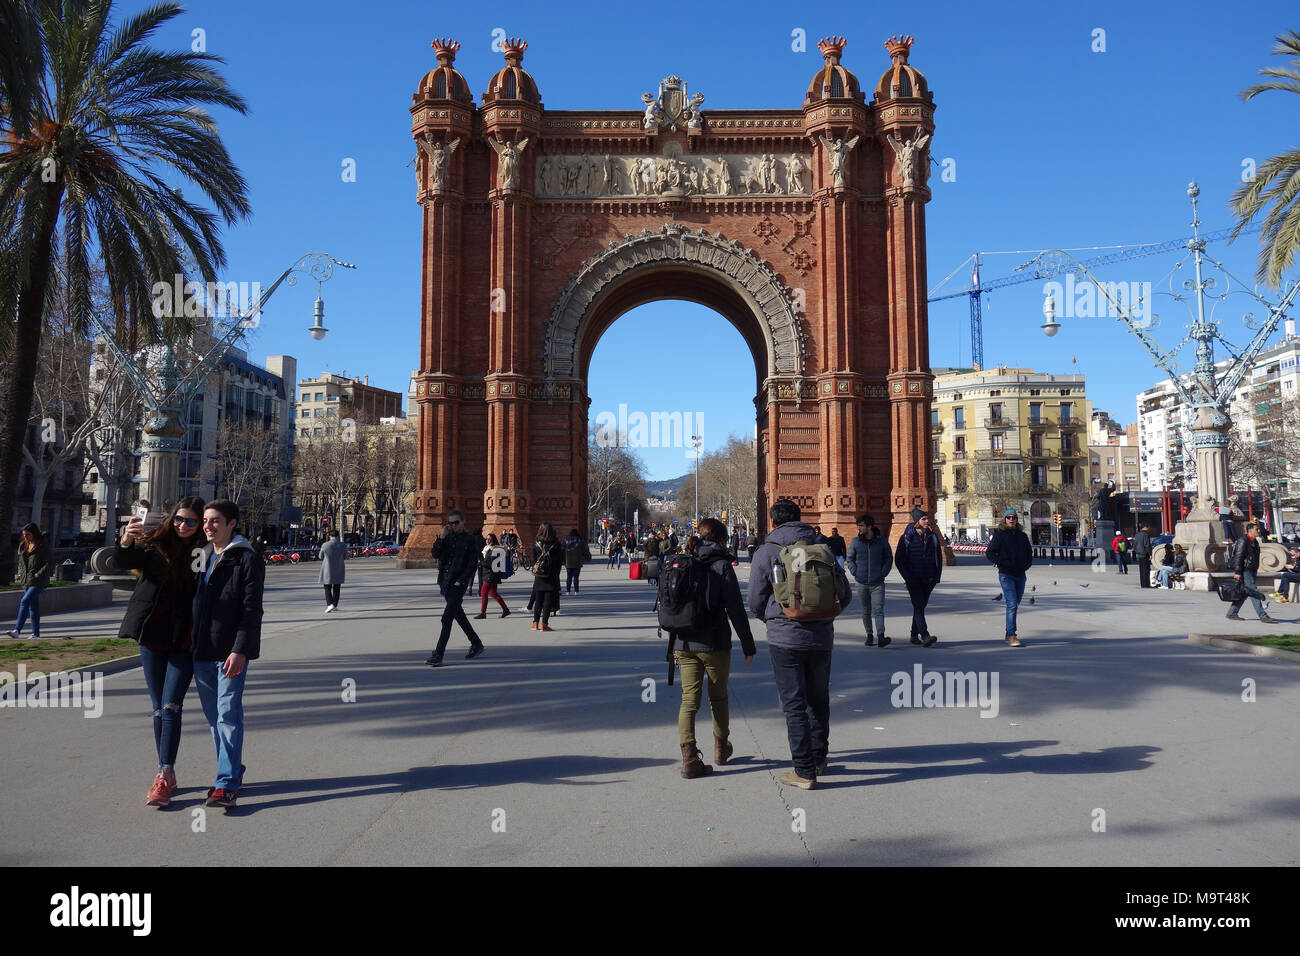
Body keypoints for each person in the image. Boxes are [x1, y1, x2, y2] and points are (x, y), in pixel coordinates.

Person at [749, 499, 853, 791]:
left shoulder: (766, 551)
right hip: (822, 638)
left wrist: (772, 618)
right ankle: (819, 759)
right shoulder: (823, 547)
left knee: (794, 704)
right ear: (800, 518)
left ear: (773, 522)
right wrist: (823, 615)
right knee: (818, 701)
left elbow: (755, 600)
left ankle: (804, 771)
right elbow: (844, 595)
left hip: (785, 639)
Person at [116, 497, 205, 807]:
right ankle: (165, 770)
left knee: (170, 707)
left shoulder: (202, 552)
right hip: (152, 634)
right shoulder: (154, 543)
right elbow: (123, 562)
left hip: (184, 638)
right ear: (172, 517)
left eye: (191, 521)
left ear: (199, 524)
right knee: (157, 708)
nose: (183, 525)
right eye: (180, 519)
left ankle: (164, 775)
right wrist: (126, 540)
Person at [671, 518, 757, 778]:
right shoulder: (722, 565)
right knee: (718, 697)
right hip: (715, 642)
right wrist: (748, 644)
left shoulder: (682, 561)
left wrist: (674, 646)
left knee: (689, 700)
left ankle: (689, 759)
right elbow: (735, 609)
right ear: (721, 538)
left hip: (683, 642)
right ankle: (721, 749)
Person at [191, 500, 264, 809]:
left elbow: (251, 609)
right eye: (206, 521)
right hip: (200, 651)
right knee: (214, 718)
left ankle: (226, 783)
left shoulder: (247, 559)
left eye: (215, 521)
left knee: (228, 715)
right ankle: (232, 769)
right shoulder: (201, 556)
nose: (208, 526)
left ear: (232, 523)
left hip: (229, 652)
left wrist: (240, 649)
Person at [427, 509, 485, 667]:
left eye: (456, 523)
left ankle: (439, 654)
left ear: (463, 521)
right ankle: (476, 643)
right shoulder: (447, 538)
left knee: (446, 618)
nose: (453, 526)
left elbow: (472, 564)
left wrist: (461, 581)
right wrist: (442, 536)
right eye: (450, 523)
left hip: (457, 584)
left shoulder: (470, 540)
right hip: (445, 582)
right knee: (458, 615)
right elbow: (435, 554)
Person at [985, 508, 1033, 648]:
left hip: (1020, 575)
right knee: (1011, 604)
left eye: (1014, 517)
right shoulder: (1000, 535)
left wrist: (1026, 565)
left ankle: (1008, 633)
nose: (1011, 519)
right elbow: (990, 553)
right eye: (1008, 517)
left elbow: (1029, 553)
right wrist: (1001, 562)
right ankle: (1012, 635)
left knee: (1015, 604)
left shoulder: (1022, 536)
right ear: (1004, 520)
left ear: (1017, 520)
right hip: (1006, 575)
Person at [894, 508, 942, 647]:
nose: (927, 521)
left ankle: (914, 635)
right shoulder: (907, 537)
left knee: (919, 607)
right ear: (917, 522)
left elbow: (938, 557)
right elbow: (899, 559)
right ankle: (925, 635)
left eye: (927, 518)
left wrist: (936, 576)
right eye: (924, 519)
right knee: (919, 605)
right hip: (913, 578)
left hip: (929, 578)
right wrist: (907, 577)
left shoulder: (932, 537)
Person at [846, 514, 893, 647]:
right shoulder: (856, 541)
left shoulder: (881, 541)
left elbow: (888, 558)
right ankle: (869, 635)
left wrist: (883, 573)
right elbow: (850, 558)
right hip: (861, 582)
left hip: (877, 582)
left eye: (861, 526)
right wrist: (855, 572)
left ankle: (881, 636)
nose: (859, 528)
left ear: (869, 526)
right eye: (858, 525)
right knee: (866, 610)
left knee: (878, 610)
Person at [7, 523, 51, 639]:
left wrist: (38, 574)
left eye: (28, 534)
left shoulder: (42, 545)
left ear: (34, 533)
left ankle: (17, 630)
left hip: (38, 580)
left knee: (24, 601)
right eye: (24, 535)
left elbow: (49, 563)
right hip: (26, 580)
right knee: (33, 607)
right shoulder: (23, 545)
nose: (25, 537)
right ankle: (36, 634)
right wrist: (20, 573)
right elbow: (21, 563)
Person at [1226, 522, 1275, 623]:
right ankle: (1263, 615)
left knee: (1244, 593)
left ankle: (1232, 613)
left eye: (1258, 529)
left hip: (1251, 570)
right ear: (1250, 530)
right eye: (1256, 529)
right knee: (1253, 592)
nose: (1259, 531)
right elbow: (1239, 557)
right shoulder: (1243, 540)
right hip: (1245, 570)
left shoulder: (1255, 541)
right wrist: (1238, 572)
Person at [530, 522, 563, 631]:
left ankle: (535, 623)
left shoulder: (536, 544)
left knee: (538, 600)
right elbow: (559, 561)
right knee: (548, 601)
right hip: (552, 576)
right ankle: (544, 624)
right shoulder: (556, 545)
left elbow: (533, 560)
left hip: (539, 576)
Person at [475, 533, 510, 619]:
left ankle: (483, 612)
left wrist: (480, 562)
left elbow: (490, 564)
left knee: (483, 593)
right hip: (492, 575)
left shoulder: (494, 550)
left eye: (489, 539)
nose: (487, 541)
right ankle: (506, 610)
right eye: (486, 539)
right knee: (493, 593)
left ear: (493, 540)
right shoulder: (492, 549)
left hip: (490, 575)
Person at [318, 529, 346, 613]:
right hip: (339, 567)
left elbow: (320, 556)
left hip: (327, 568)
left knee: (327, 587)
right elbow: (346, 556)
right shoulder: (343, 545)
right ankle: (335, 605)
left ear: (330, 536)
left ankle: (330, 604)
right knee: (337, 587)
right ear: (338, 536)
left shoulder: (325, 545)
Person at [562, 529, 591, 594]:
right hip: (577, 562)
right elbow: (585, 550)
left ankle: (568, 591)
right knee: (576, 577)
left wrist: (562, 560)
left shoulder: (565, 541)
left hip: (568, 562)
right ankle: (576, 591)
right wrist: (587, 558)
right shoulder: (580, 541)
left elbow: (562, 550)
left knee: (569, 576)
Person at [1134, 524, 1154, 589]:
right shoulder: (1145, 534)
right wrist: (1150, 554)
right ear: (1145, 527)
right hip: (1145, 553)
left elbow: (1135, 544)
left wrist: (1136, 551)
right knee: (1146, 569)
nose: (1149, 528)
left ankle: (1142, 583)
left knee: (1141, 569)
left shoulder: (1137, 534)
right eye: (1148, 527)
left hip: (1139, 553)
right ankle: (1146, 584)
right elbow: (1147, 545)